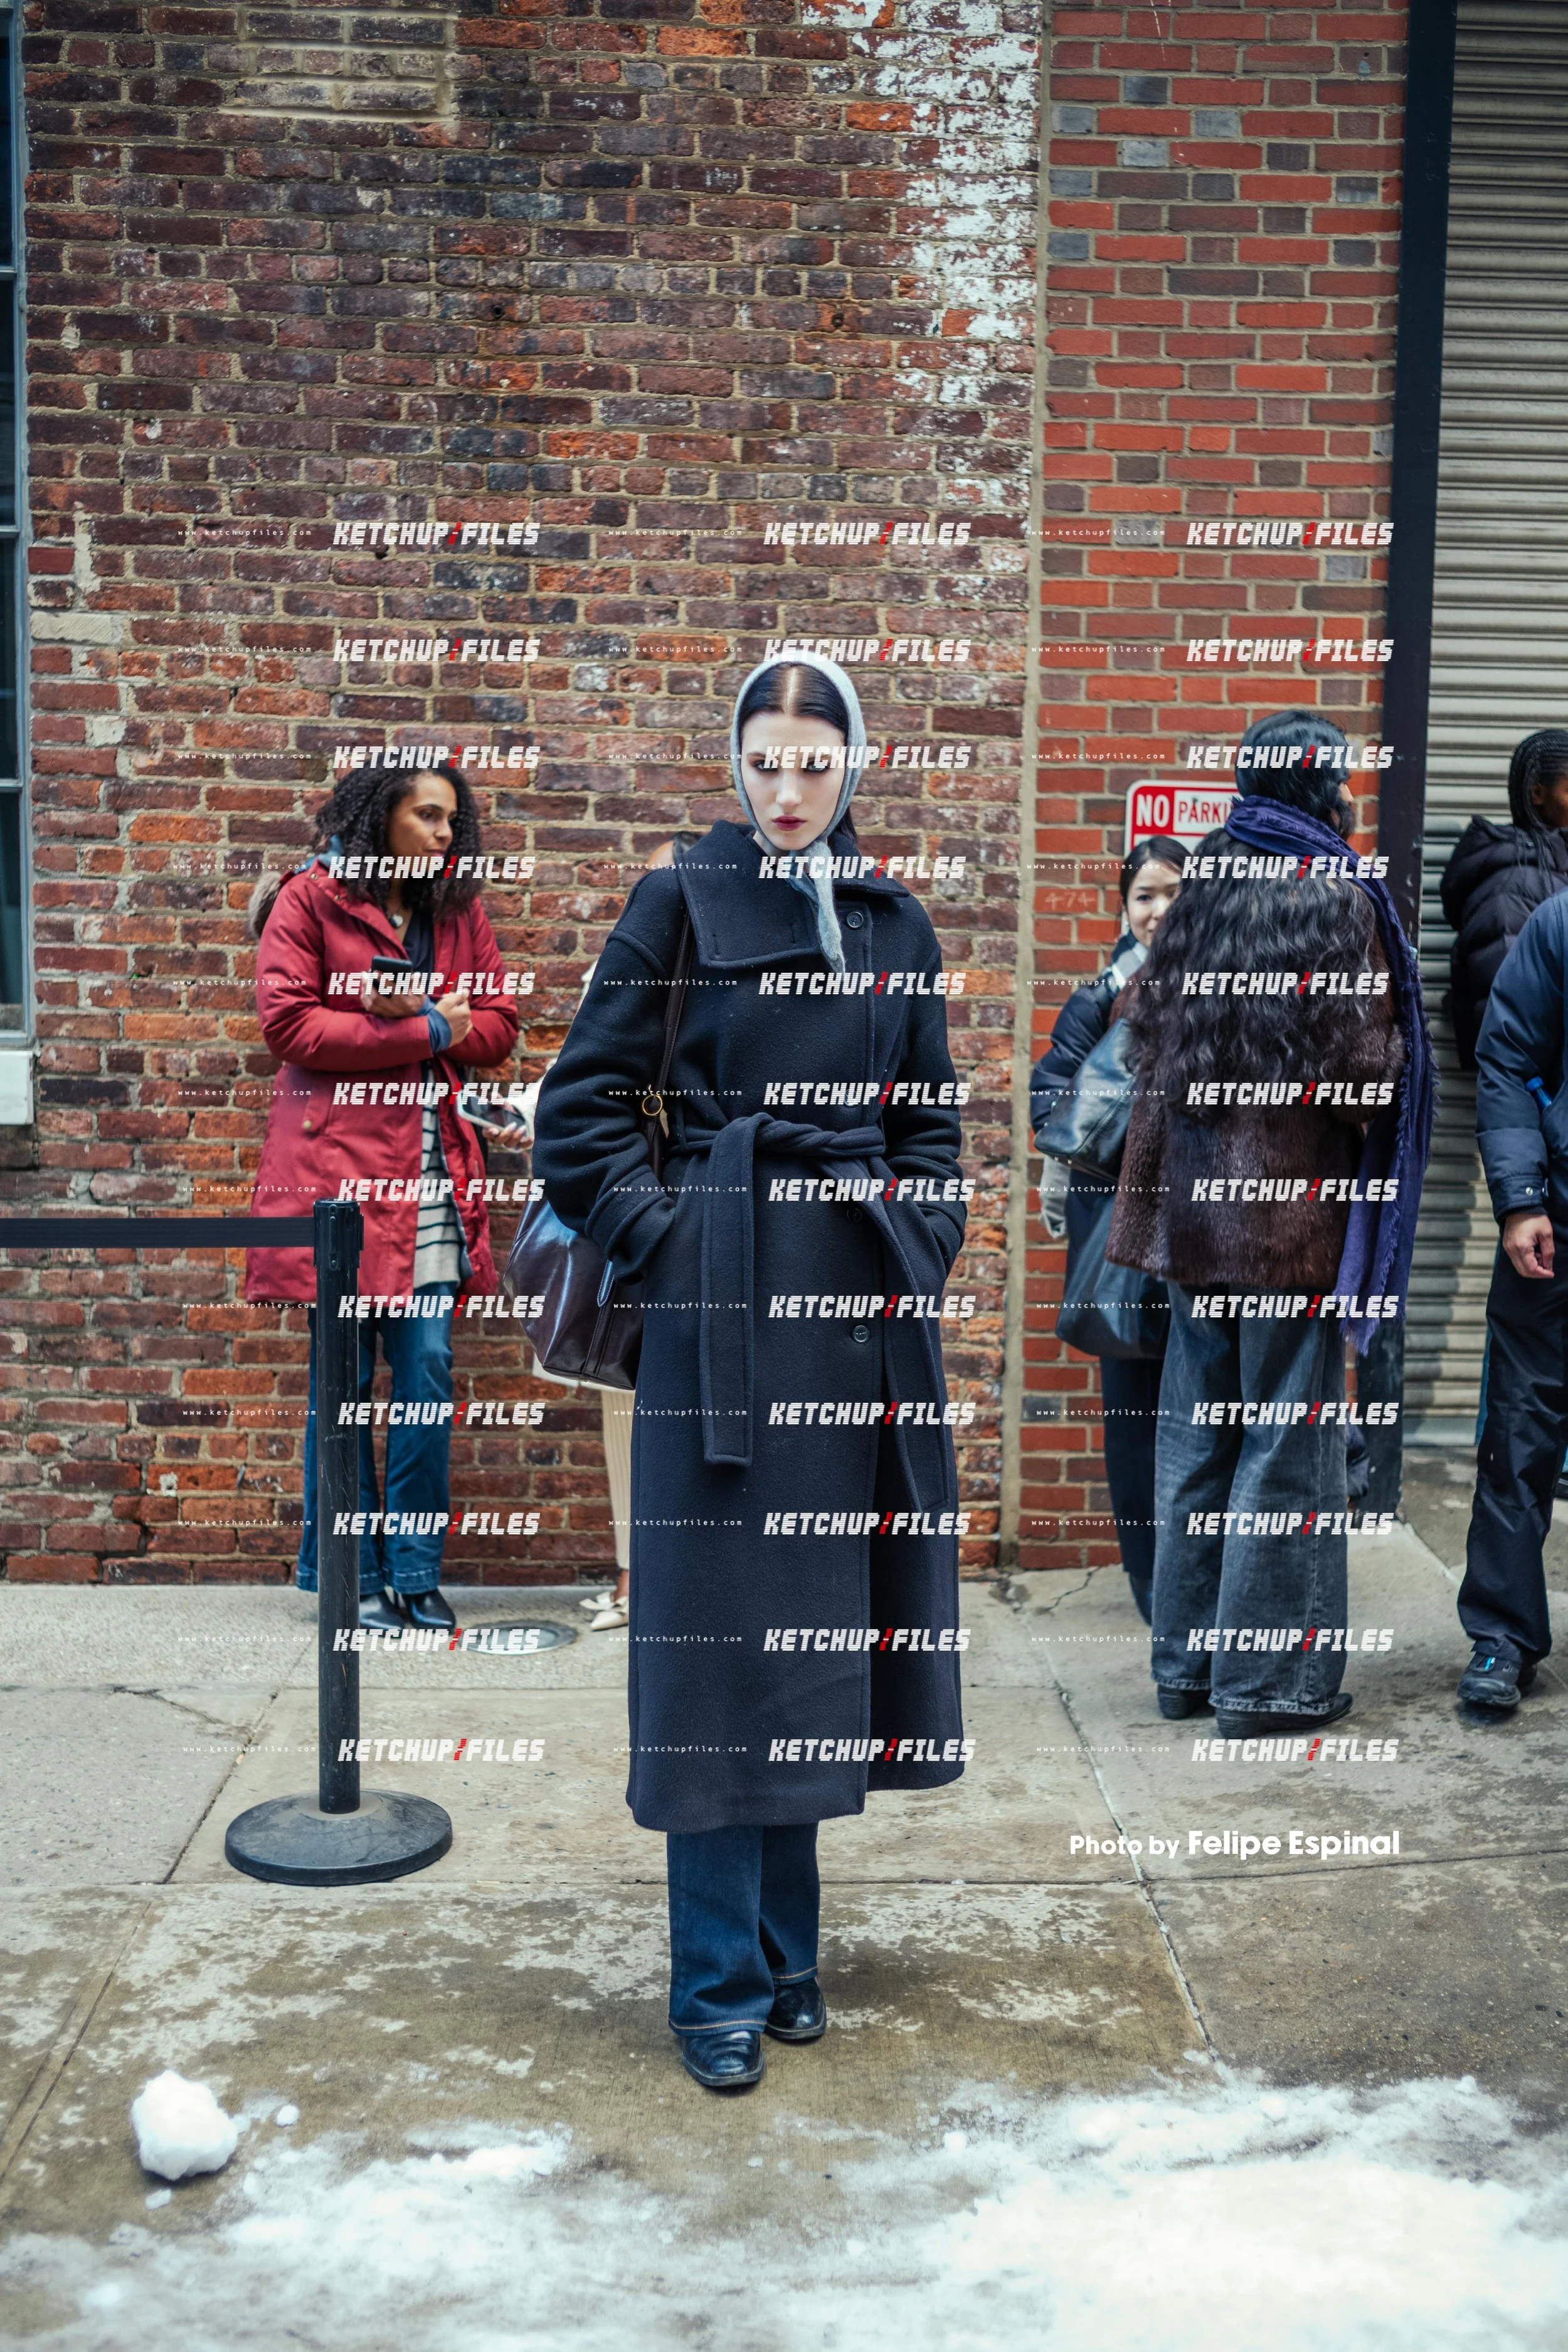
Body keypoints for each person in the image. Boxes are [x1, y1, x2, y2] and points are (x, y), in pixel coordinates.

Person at [532, 652, 969, 2094]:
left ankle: (788, 1952)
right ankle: (713, 1979)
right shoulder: (676, 901)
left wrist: (917, 1233)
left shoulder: (896, 924)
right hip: (717, 1325)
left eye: (815, 763)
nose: (789, 790)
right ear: (735, 761)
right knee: (720, 1658)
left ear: (855, 766)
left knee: (812, 1648)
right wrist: (671, 1242)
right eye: (766, 760)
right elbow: (579, 1113)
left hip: (854, 1322)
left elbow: (931, 1130)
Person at [1108, 709, 1433, 1735]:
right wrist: (1398, 1060)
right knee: (1286, 1453)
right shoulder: (1337, 894)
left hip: (1193, 1226)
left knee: (1195, 1443)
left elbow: (1144, 1035)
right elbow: (1361, 1072)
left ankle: (1187, 1670)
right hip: (1292, 1224)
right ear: (1320, 788)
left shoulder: (1201, 887)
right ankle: (1269, 1685)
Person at [245, 763, 521, 1630]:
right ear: (379, 820)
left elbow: (500, 1025)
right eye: (427, 815)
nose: (444, 834)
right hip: (336, 1179)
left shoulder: (458, 911)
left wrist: (436, 1020)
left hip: (433, 1175)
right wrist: (428, 1024)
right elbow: (290, 1025)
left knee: (427, 1371)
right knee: (342, 1383)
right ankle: (349, 1575)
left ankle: (414, 1570)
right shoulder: (308, 900)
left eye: (452, 820)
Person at [1030, 835, 1185, 1621]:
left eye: (1172, 893)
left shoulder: (1223, 990)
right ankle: (1152, 1588)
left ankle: (1196, 1581)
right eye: (1143, 897)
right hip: (1121, 1240)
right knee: (1132, 1420)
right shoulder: (1098, 998)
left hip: (1197, 1239)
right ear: (1123, 908)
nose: (1157, 911)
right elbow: (1048, 1107)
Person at [1456, 883, 1568, 1707]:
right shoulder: (1560, 925)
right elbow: (1507, 1056)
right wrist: (1520, 1199)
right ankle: (1501, 1636)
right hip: (1557, 1222)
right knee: (1519, 1433)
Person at [1441, 729, 1568, 1071]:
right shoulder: (1512, 884)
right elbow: (1511, 1013)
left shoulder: (1554, 868)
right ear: (1538, 794)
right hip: (1538, 1086)